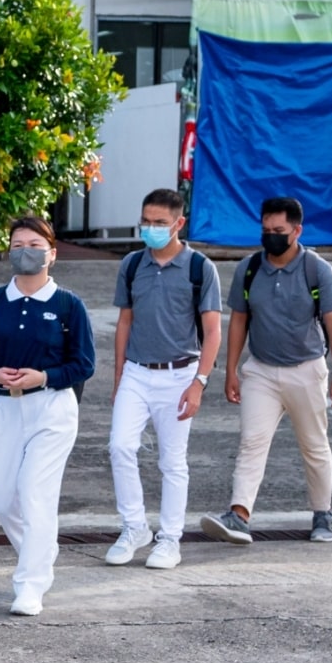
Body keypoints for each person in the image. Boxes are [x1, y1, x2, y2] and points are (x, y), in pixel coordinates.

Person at [201, 196, 332, 546]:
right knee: (251, 443)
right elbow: (239, 320)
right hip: (262, 372)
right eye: (265, 230)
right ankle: (239, 515)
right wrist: (233, 370)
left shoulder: (317, 270)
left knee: (314, 445)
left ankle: (322, 514)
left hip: (306, 370)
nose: (271, 236)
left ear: (297, 231)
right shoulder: (249, 269)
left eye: (279, 231)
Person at [0, 217, 96, 616]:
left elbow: (84, 364)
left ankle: (30, 583)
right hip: (2, 407)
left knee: (34, 492)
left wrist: (44, 376)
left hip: (51, 408)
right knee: (0, 494)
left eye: (34, 244)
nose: (25, 250)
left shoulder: (68, 305)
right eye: (17, 244)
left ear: (52, 254)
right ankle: (41, 547)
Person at [107, 189, 223, 570]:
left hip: (180, 374)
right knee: (121, 447)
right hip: (137, 374)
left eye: (159, 222)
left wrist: (199, 383)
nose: (151, 228)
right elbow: (125, 320)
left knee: (172, 462)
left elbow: (212, 329)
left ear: (178, 223)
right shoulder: (131, 265)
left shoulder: (199, 268)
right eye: (146, 221)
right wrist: (119, 374)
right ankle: (134, 527)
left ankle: (170, 539)